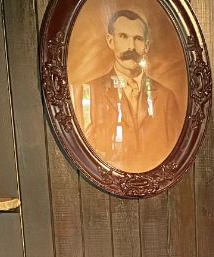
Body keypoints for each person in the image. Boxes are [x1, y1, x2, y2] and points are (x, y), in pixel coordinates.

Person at [76, 8, 183, 173]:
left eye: (138, 39)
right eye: (123, 37)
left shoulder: (166, 97)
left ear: (146, 46)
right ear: (111, 41)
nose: (131, 47)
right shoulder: (90, 93)